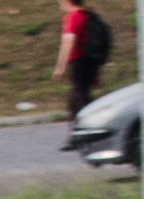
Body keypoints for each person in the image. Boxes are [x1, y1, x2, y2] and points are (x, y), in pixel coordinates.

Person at [55, 0, 108, 139]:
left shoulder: (73, 16)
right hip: (91, 61)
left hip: (78, 61)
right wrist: (97, 74)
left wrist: (60, 67)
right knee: (79, 96)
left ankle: (86, 131)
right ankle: (78, 132)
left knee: (79, 98)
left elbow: (69, 42)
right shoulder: (89, 15)